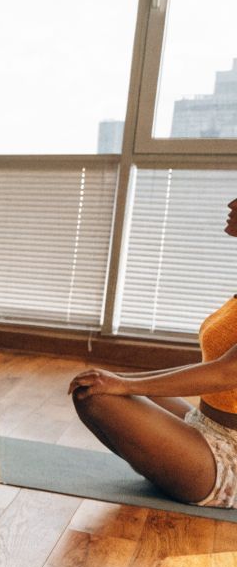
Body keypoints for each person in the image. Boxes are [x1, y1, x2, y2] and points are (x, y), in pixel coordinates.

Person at [69, 197, 237, 509]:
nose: (231, 202)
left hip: (231, 458)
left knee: (97, 396)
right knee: (91, 386)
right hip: (207, 423)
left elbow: (227, 372)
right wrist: (120, 379)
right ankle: (168, 466)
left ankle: (180, 472)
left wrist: (126, 384)